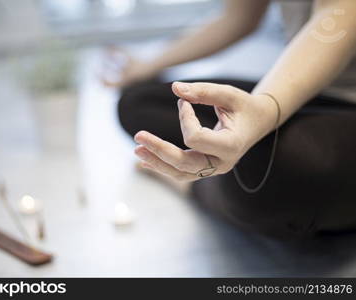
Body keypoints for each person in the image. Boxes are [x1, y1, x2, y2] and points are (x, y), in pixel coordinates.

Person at [104, 0, 356, 238]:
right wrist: (147, 66)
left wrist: (265, 108)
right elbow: (238, 18)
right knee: (138, 102)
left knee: (272, 172)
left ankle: (194, 184)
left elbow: (338, 11)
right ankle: (221, 176)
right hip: (309, 92)